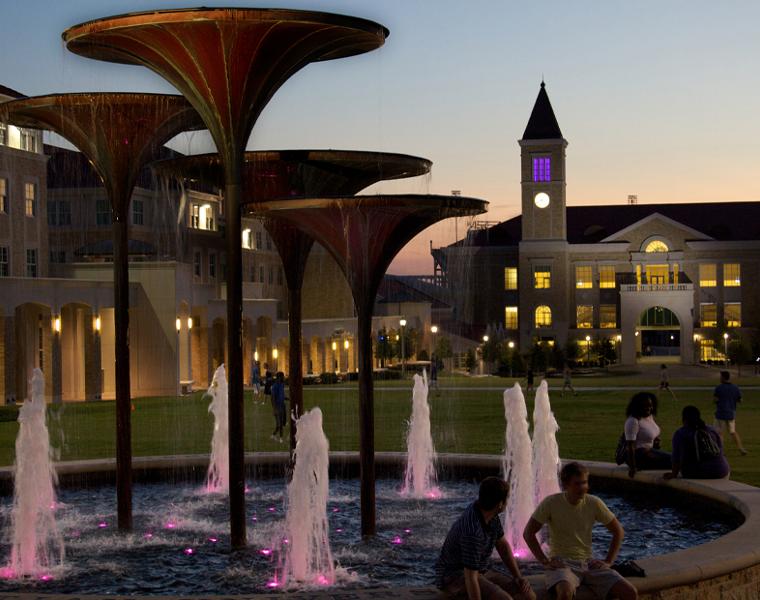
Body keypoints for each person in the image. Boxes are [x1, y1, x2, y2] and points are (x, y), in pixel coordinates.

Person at [523, 462, 638, 600]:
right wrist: (545, 561)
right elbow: (528, 533)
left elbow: (618, 531)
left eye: (585, 483)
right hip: (562, 564)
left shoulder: (594, 502)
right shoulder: (551, 503)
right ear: (566, 485)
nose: (583, 488)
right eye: (577, 484)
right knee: (565, 593)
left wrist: (608, 561)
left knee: (630, 592)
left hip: (588, 564)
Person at [435, 477, 535, 600]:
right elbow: (470, 577)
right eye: (507, 498)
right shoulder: (472, 531)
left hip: (480, 572)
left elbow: (502, 546)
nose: (508, 502)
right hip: (454, 577)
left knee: (527, 595)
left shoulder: (490, 515)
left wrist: (518, 577)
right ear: (500, 504)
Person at [664, 405, 729, 480]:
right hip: (721, 471)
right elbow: (720, 450)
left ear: (684, 419)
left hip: (695, 472)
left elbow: (676, 458)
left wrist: (673, 474)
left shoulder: (681, 434)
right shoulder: (711, 430)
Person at [624, 392, 671, 477]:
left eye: (650, 406)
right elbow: (630, 446)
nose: (649, 408)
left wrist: (655, 443)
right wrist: (633, 467)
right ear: (637, 406)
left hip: (650, 451)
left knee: (675, 459)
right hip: (639, 456)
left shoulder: (649, 417)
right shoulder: (633, 421)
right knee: (674, 461)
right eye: (645, 406)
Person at [713, 371, 748, 455]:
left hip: (721, 413)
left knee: (719, 433)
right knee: (733, 432)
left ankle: (720, 451)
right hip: (731, 413)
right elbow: (740, 400)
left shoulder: (719, 388)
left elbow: (715, 400)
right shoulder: (735, 388)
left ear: (723, 378)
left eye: (720, 377)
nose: (720, 378)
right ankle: (741, 449)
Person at [270, 371, 286, 443]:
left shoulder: (282, 385)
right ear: (279, 377)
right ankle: (280, 438)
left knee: (282, 423)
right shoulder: (274, 386)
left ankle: (275, 436)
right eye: (282, 377)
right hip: (277, 406)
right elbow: (272, 398)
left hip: (282, 405)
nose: (283, 378)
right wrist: (275, 408)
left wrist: (286, 398)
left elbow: (282, 395)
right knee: (279, 424)